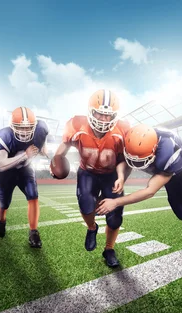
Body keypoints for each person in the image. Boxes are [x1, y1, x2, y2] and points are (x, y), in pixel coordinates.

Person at [96, 124, 182, 274]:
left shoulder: (167, 152)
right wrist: (121, 177)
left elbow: (150, 190)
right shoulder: (130, 139)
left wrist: (116, 202)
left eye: (140, 160)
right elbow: (126, 160)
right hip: (168, 173)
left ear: (155, 149)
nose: (136, 164)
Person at [51, 89, 130, 267]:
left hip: (111, 174)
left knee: (115, 216)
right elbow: (62, 150)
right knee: (86, 204)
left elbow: (124, 160)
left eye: (108, 116)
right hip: (87, 171)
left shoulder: (123, 130)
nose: (103, 119)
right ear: (90, 111)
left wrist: (121, 176)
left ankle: (109, 249)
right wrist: (55, 164)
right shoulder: (77, 124)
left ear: (115, 116)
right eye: (99, 114)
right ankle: (92, 228)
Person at [0, 107, 48, 248]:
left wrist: (43, 148)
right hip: (7, 172)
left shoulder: (40, 129)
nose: (24, 131)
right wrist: (24, 155)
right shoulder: (3, 136)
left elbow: (42, 137)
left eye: (28, 127)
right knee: (4, 203)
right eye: (20, 128)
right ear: (12, 127)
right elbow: (1, 165)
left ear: (34, 127)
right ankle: (1, 219)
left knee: (33, 196)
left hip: (25, 169)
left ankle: (33, 232)